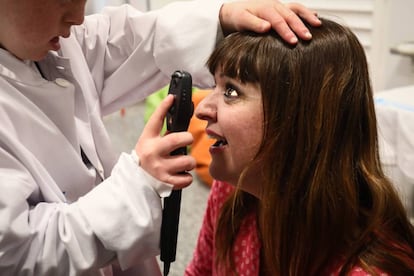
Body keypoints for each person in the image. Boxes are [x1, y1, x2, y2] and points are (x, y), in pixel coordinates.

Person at [0, 0, 322, 275]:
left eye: (232, 90)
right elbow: (20, 253)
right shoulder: (226, 201)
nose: (78, 18)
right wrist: (136, 186)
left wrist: (220, 17)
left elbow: (132, 40)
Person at [185, 18, 414, 276]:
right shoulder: (232, 193)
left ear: (300, 121)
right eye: (215, 85)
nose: (202, 109)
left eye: (232, 91)